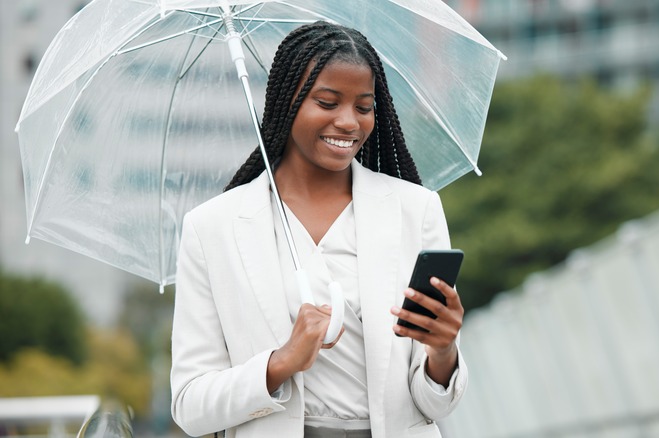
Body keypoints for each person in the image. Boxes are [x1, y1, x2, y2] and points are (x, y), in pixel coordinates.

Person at [170, 21, 467, 438]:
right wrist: (280, 362)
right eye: (327, 102)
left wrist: (443, 348)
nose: (349, 122)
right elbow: (190, 405)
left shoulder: (416, 210)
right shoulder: (211, 228)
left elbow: (435, 403)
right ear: (286, 103)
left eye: (364, 107)